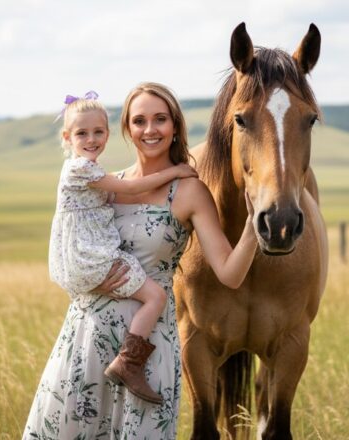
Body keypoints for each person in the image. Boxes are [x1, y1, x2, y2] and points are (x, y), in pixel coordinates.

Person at [22, 82, 257, 439]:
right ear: (127, 129)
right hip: (87, 335)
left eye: (160, 119)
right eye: (139, 121)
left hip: (147, 351)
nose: (150, 130)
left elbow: (230, 274)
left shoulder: (190, 190)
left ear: (175, 126)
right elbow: (68, 247)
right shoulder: (105, 184)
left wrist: (256, 228)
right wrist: (89, 280)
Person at [48, 91, 197, 403]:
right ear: (67, 137)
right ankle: (129, 363)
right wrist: (175, 172)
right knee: (155, 295)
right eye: (82, 133)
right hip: (90, 256)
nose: (91, 139)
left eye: (98, 132)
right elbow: (129, 188)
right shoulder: (83, 169)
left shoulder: (86, 169)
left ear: (109, 133)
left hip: (82, 254)